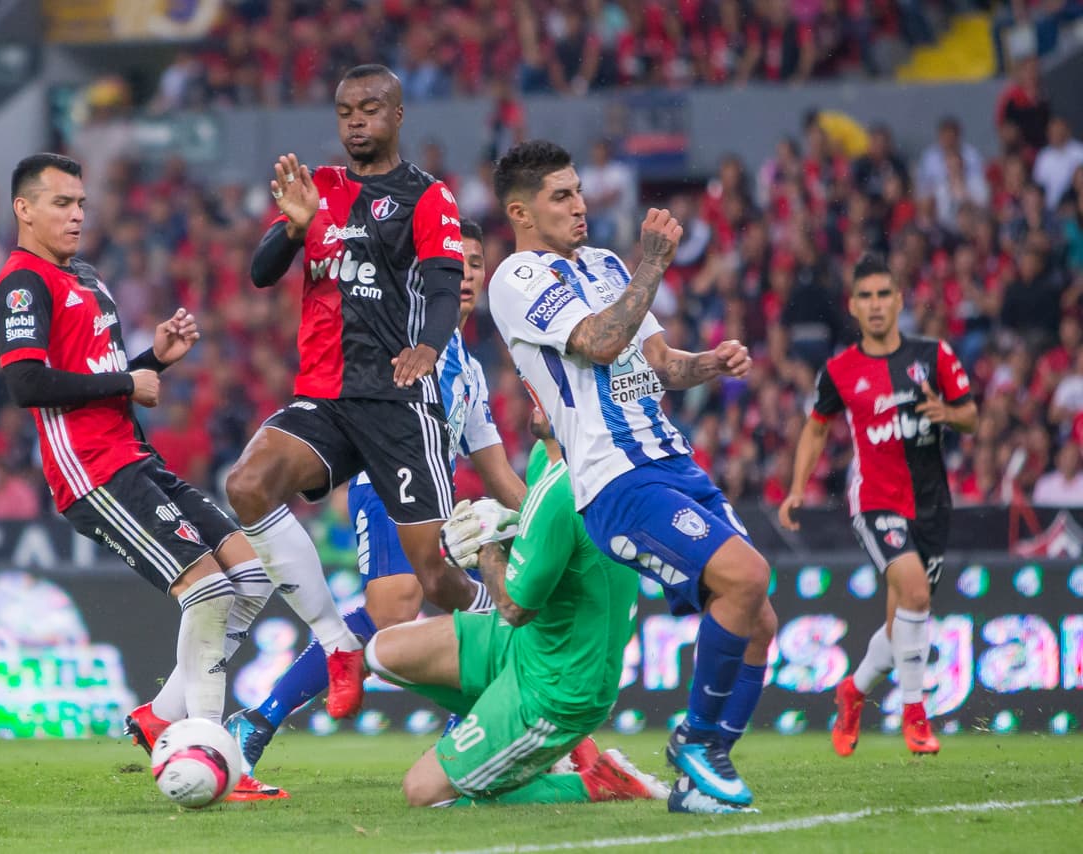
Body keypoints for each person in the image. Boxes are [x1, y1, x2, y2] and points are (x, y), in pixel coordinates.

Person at [485, 140, 775, 811]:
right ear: (522, 211)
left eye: (580, 191)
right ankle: (697, 743)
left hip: (670, 461)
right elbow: (597, 342)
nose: (581, 206)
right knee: (746, 577)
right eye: (562, 196)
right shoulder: (518, 279)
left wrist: (709, 363)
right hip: (614, 479)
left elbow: (650, 369)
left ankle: (699, 781)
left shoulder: (608, 266)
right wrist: (653, 265)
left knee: (759, 618)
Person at [0, 153, 275, 799]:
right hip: (91, 473)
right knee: (206, 592)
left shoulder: (85, 277)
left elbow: (101, 375)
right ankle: (213, 759)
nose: (77, 215)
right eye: (61, 203)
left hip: (134, 456)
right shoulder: (21, 283)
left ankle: (159, 718)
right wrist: (129, 378)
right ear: (24, 209)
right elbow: (24, 382)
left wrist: (154, 359)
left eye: (82, 203)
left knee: (250, 579)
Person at [226, 64, 494, 721]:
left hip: (399, 402)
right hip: (326, 398)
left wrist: (429, 345)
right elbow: (261, 274)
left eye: (371, 109)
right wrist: (291, 230)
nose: (356, 120)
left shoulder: (428, 198)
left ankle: (514, 629)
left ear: (398, 116)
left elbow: (439, 284)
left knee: (433, 581)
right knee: (247, 484)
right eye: (346, 110)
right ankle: (334, 640)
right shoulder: (317, 190)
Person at [225, 218, 525, 774]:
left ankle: (471, 724)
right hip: (388, 486)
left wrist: (550, 515)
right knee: (397, 610)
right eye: (453, 264)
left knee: (456, 609)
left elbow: (500, 474)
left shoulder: (472, 373)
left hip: (439, 505)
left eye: (476, 265)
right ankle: (260, 718)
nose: (465, 275)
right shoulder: (404, 342)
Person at [364, 412, 674, 809]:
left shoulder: (572, 482)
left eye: (546, 381)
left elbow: (514, 606)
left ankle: (602, 783)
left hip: (559, 684)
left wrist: (486, 546)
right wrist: (508, 525)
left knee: (424, 794)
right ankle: (543, 751)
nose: (534, 397)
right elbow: (546, 546)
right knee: (382, 652)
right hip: (527, 644)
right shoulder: (548, 460)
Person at [779, 252, 977, 758]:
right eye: (864, 296)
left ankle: (853, 691)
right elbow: (817, 427)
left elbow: (973, 417)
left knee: (905, 618)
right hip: (874, 500)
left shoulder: (934, 354)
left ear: (898, 300)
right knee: (913, 591)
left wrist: (948, 414)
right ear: (853, 305)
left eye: (882, 294)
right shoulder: (841, 370)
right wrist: (798, 487)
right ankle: (915, 712)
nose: (874, 305)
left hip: (932, 503)